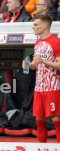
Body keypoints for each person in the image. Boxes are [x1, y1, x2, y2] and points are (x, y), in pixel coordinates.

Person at [22, 14, 60, 143]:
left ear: (45, 26)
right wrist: (28, 65)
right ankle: (41, 149)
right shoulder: (37, 43)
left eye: (36, 24)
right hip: (39, 88)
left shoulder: (56, 42)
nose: (33, 27)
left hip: (53, 87)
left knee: (56, 119)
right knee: (39, 120)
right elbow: (35, 66)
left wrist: (43, 60)